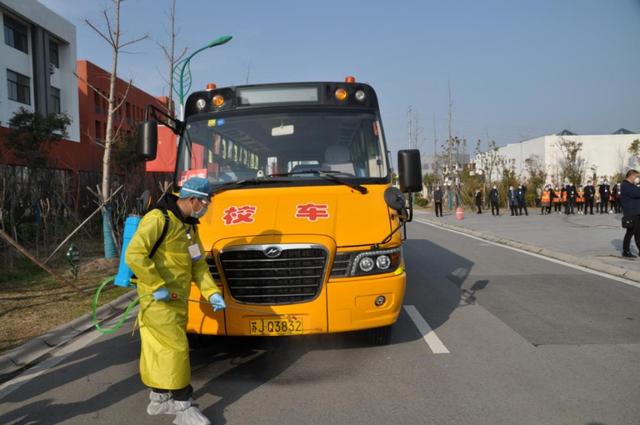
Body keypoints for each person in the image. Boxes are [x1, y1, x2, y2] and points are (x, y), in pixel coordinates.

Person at [126, 177, 225, 425]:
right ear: (192, 200)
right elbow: (134, 254)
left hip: (176, 300)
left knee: (159, 351)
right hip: (158, 300)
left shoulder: (189, 228)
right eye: (205, 202)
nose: (206, 207)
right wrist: (156, 285)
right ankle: (183, 406)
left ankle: (159, 400)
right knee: (176, 350)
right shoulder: (159, 219)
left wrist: (211, 293)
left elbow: (198, 265)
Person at [620, 170, 640, 258]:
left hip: (637, 212)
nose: (637, 179)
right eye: (636, 177)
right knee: (630, 232)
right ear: (631, 176)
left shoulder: (632, 185)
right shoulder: (625, 185)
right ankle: (626, 250)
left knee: (638, 233)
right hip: (631, 212)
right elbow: (636, 193)